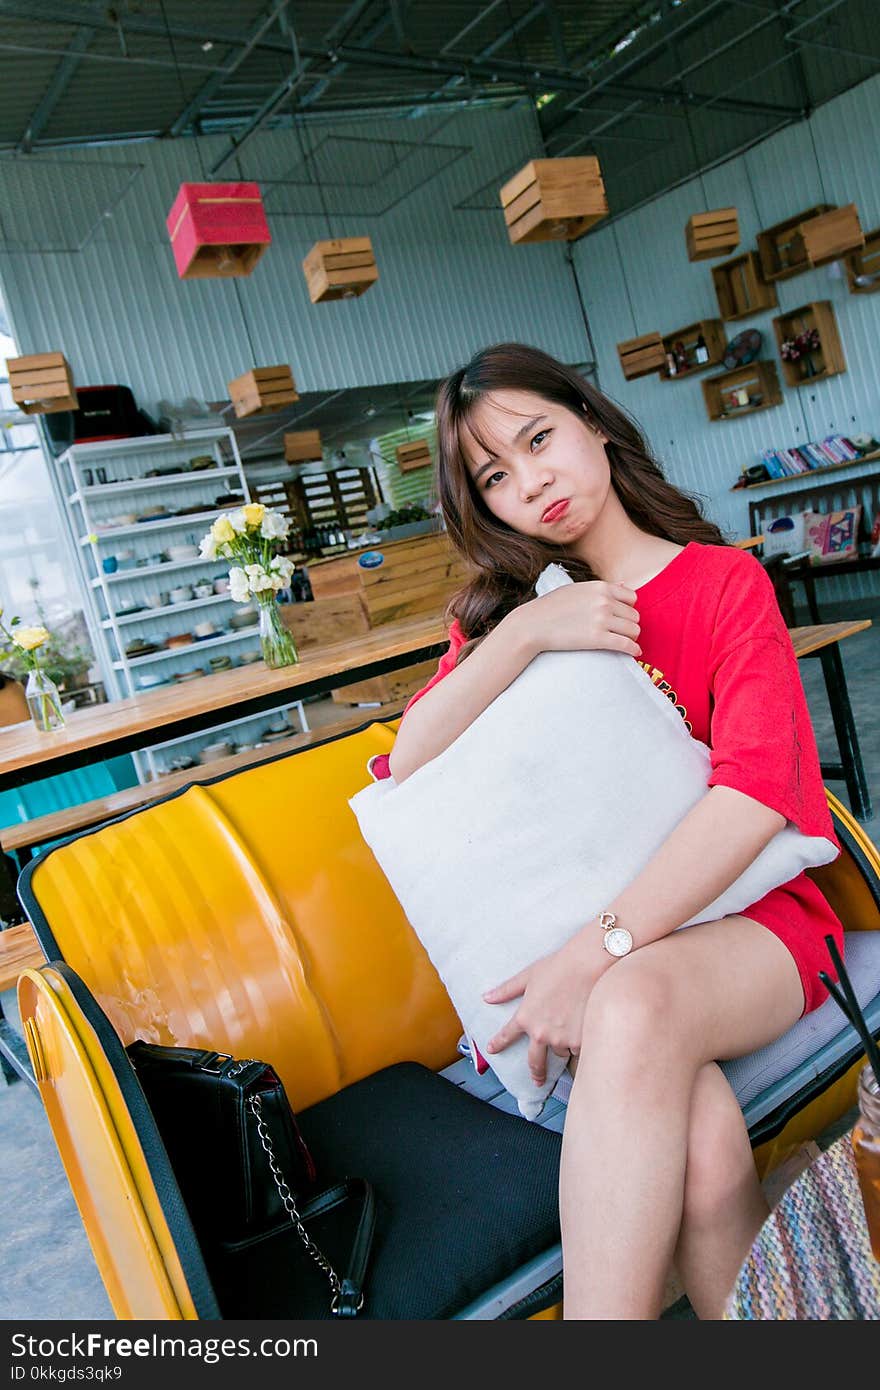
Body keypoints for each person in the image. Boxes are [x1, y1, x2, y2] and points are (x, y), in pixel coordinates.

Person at [380, 341, 843, 1320]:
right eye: (494, 477)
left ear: (589, 420)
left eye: (539, 438)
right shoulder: (511, 617)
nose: (530, 482)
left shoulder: (721, 585)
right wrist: (526, 635)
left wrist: (591, 953)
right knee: (709, 1153)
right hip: (590, 946)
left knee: (629, 1004)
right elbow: (407, 763)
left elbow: (755, 794)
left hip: (753, 926)